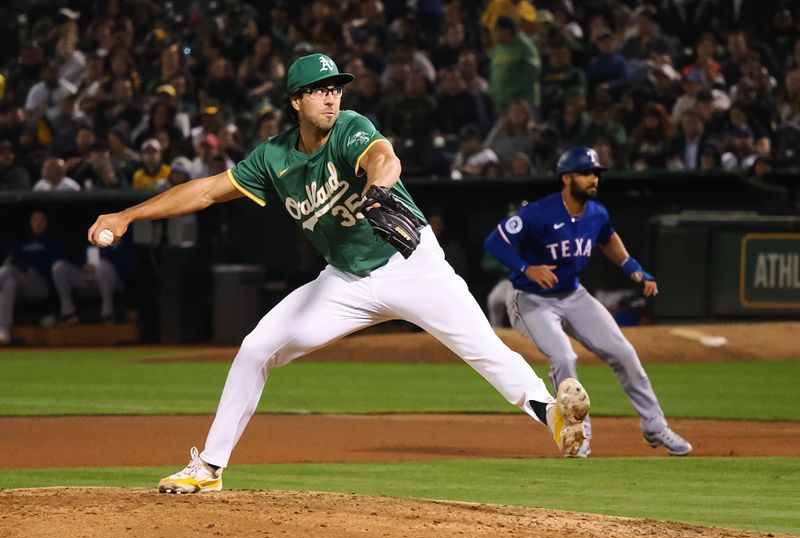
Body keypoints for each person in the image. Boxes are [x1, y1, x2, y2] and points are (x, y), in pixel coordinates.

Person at [88, 53, 591, 493]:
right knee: (256, 347)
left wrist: (376, 188)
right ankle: (211, 467)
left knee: (482, 347)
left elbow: (384, 158)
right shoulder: (274, 157)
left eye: (335, 89)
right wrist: (127, 215)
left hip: (412, 265)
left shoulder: (349, 126)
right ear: (294, 101)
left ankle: (551, 416)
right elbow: (204, 191)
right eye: (318, 91)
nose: (330, 98)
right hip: (346, 281)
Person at [483, 147, 692, 458]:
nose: (593, 178)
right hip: (531, 300)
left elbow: (608, 237)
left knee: (624, 353)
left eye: (596, 173)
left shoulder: (596, 213)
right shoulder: (539, 212)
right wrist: (527, 268)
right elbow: (494, 241)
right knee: (564, 357)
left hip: (574, 295)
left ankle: (655, 425)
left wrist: (631, 267)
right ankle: (578, 435)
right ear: (567, 178)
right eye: (586, 173)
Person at [0, 210, 63, 345]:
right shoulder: (24, 241)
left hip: (42, 285)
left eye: (41, 220)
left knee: (8, 271)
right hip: (21, 282)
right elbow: (13, 258)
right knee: (9, 283)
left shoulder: (52, 241)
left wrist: (29, 264)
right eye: (35, 220)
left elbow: (54, 267)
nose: (38, 223)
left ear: (46, 222)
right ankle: (4, 331)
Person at [51, 233, 136, 325]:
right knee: (59, 267)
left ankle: (108, 313)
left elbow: (129, 267)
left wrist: (105, 262)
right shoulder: (95, 239)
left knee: (103, 266)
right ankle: (68, 312)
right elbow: (82, 259)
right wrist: (83, 266)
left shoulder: (123, 241)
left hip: (114, 279)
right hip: (90, 278)